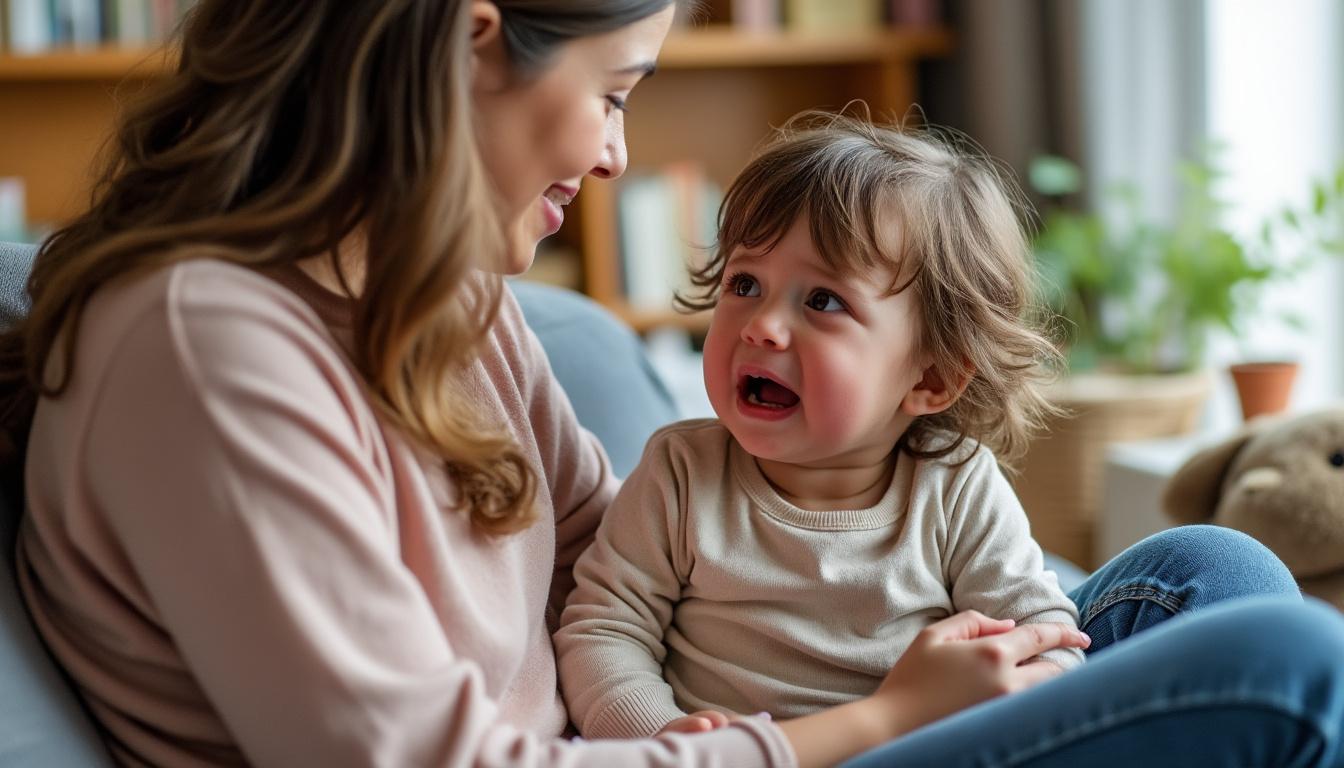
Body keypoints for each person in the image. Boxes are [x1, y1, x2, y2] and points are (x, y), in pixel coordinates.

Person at [0, 0, 1342, 766]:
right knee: (1291, 669)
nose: (618, 157)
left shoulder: (437, 299)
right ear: (473, 41)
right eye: (616, 89)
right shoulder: (207, 346)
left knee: (1212, 572)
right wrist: (867, 720)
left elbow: (606, 553)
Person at [556, 114, 1089, 737]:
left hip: (918, 751)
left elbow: (1047, 639)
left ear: (932, 379)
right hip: (729, 757)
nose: (761, 326)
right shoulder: (681, 474)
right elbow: (603, 631)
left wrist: (1030, 689)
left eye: (823, 301)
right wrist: (662, 737)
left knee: (1185, 564)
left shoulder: (956, 485)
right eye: (745, 283)